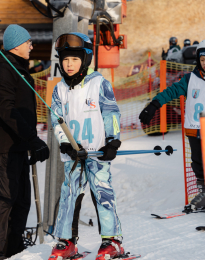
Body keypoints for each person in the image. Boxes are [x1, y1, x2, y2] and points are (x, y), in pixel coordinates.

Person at [49, 32, 123, 260]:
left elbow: (111, 112)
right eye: (65, 59)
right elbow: (56, 120)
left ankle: (111, 241)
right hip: (74, 155)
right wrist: (65, 143)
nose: (69, 64)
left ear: (85, 59)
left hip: (98, 153)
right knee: (69, 194)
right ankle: (66, 242)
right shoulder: (59, 89)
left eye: (74, 59)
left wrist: (113, 140)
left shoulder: (99, 83)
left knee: (102, 193)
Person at [0, 24, 49, 260]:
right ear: (17, 44)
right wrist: (32, 138)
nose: (31, 45)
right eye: (28, 42)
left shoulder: (17, 68)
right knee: (4, 200)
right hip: (6, 146)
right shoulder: (2, 70)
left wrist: (30, 142)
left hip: (19, 144)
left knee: (21, 201)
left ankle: (13, 248)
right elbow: (6, 109)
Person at [139, 40, 205, 209]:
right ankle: (203, 193)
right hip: (195, 128)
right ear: (198, 60)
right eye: (203, 59)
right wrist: (154, 104)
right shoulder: (190, 79)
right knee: (197, 163)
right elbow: (172, 91)